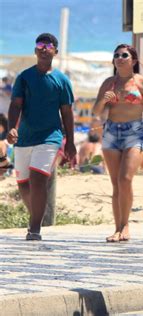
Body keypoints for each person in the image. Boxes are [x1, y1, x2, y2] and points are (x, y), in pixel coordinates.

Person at [6, 33, 76, 241]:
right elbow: (15, 105)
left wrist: (70, 141)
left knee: (38, 180)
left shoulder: (62, 80)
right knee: (23, 184)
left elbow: (67, 112)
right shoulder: (24, 77)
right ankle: (36, 213)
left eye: (49, 45)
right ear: (35, 50)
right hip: (25, 138)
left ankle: (34, 228)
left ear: (55, 51)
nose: (44, 48)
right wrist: (11, 128)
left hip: (50, 138)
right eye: (40, 44)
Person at [93, 44, 143, 242]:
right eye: (116, 55)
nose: (119, 58)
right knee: (116, 183)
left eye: (124, 55)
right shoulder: (109, 83)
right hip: (111, 132)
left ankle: (126, 226)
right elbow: (96, 112)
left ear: (133, 61)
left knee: (125, 179)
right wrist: (103, 101)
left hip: (135, 132)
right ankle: (117, 228)